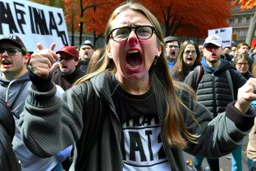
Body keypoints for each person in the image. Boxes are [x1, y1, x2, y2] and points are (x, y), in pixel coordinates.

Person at [21, 2, 256, 171]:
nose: (132, 38)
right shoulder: (86, 95)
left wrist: (239, 107)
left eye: (143, 31)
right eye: (121, 32)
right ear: (110, 51)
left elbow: (208, 140)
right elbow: (43, 143)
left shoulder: (176, 96)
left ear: (158, 49)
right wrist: (42, 90)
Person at [0, 34, 64, 171]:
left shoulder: (48, 90)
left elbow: (67, 133)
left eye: (11, 51)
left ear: (26, 58)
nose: (4, 54)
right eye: (0, 51)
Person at [184, 34, 247, 171]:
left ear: (221, 50)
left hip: (229, 126)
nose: (213, 51)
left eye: (216, 47)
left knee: (237, 165)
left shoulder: (232, 73)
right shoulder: (196, 73)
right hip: (204, 129)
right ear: (204, 51)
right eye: (209, 48)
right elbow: (183, 100)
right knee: (197, 161)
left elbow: (248, 91)